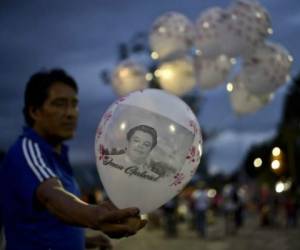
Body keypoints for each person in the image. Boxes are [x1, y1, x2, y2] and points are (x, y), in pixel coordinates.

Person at [0, 69, 146, 250]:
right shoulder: (26, 151)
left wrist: (83, 242)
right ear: (35, 111)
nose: (70, 113)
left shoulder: (58, 156)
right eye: (59, 104)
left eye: (74, 104)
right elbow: (51, 196)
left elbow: (43, 224)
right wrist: (95, 215)